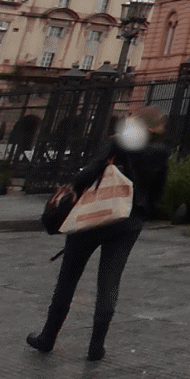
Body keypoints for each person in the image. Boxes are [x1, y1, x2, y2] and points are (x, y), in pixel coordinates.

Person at [26, 106, 169, 362]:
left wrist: (71, 187)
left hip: (93, 217)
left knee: (68, 278)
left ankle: (48, 337)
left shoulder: (117, 144)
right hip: (129, 222)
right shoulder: (160, 153)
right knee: (109, 283)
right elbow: (157, 193)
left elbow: (91, 172)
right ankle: (96, 346)